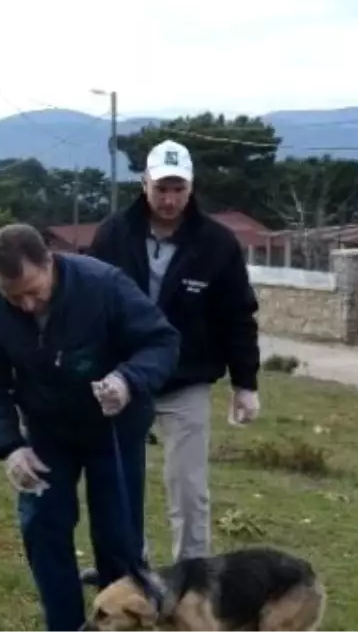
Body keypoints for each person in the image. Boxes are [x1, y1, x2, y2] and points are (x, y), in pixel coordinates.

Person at [0, 223, 181, 632]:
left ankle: (126, 621)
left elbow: (162, 341)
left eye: (32, 290)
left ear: (49, 261)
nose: (26, 305)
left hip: (114, 430)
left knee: (118, 538)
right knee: (43, 526)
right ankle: (64, 626)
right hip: (47, 433)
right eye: (14, 296)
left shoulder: (103, 286)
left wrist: (128, 380)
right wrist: (10, 446)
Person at [82, 139, 262, 575]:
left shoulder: (217, 244)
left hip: (188, 378)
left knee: (187, 485)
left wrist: (246, 383)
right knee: (122, 480)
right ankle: (130, 569)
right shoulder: (113, 234)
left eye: (178, 189)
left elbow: (237, 315)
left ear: (191, 187)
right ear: (144, 184)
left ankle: (193, 577)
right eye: (161, 188)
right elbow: (89, 304)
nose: (169, 199)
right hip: (125, 378)